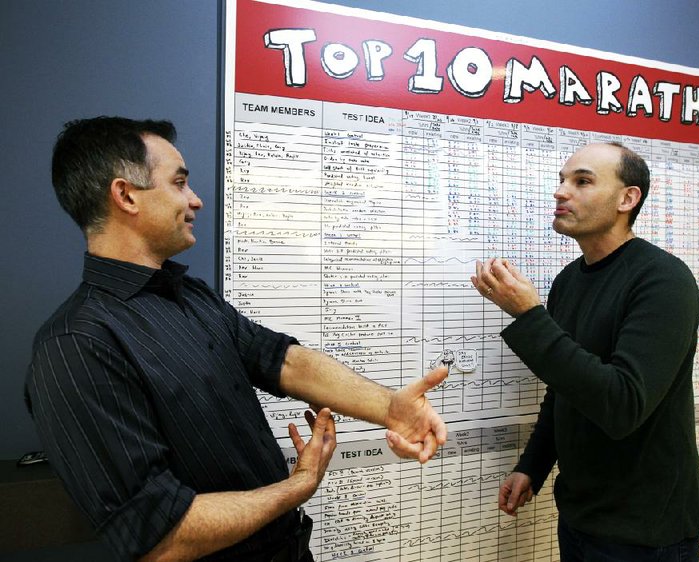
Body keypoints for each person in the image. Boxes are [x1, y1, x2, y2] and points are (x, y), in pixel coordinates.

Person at [25, 116, 448, 562]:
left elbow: (283, 360)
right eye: (179, 183)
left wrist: (390, 409)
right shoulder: (76, 344)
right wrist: (297, 487)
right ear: (126, 195)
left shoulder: (190, 296)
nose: (195, 200)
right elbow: (160, 535)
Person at [471, 142, 699, 561]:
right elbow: (565, 389)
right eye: (562, 181)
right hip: (580, 518)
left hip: (646, 532)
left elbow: (622, 404)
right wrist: (533, 466)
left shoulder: (664, 281)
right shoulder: (569, 281)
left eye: (582, 181)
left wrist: (529, 315)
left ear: (627, 198)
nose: (561, 191)